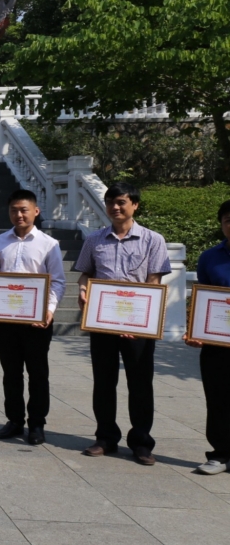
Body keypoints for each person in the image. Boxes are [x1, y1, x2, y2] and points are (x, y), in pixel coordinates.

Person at [75, 182, 171, 466]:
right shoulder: (94, 240)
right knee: (103, 381)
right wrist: (83, 290)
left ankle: (141, 442)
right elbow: (84, 275)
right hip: (102, 323)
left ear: (135, 205)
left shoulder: (153, 240)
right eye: (110, 202)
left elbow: (154, 283)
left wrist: (137, 322)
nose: (115, 207)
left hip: (137, 325)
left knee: (140, 383)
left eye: (121, 202)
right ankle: (105, 437)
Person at [0, 189, 66, 446]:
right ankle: (15, 420)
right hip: (5, 321)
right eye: (14, 210)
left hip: (36, 321)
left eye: (24, 210)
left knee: (38, 373)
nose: (19, 214)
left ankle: (37, 423)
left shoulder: (49, 244)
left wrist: (48, 311)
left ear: (35, 211)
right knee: (11, 372)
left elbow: (58, 282)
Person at [188, 199, 230, 475]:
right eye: (228, 220)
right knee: (217, 398)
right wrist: (195, 329)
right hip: (217, 342)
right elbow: (201, 298)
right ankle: (220, 454)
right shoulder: (210, 257)